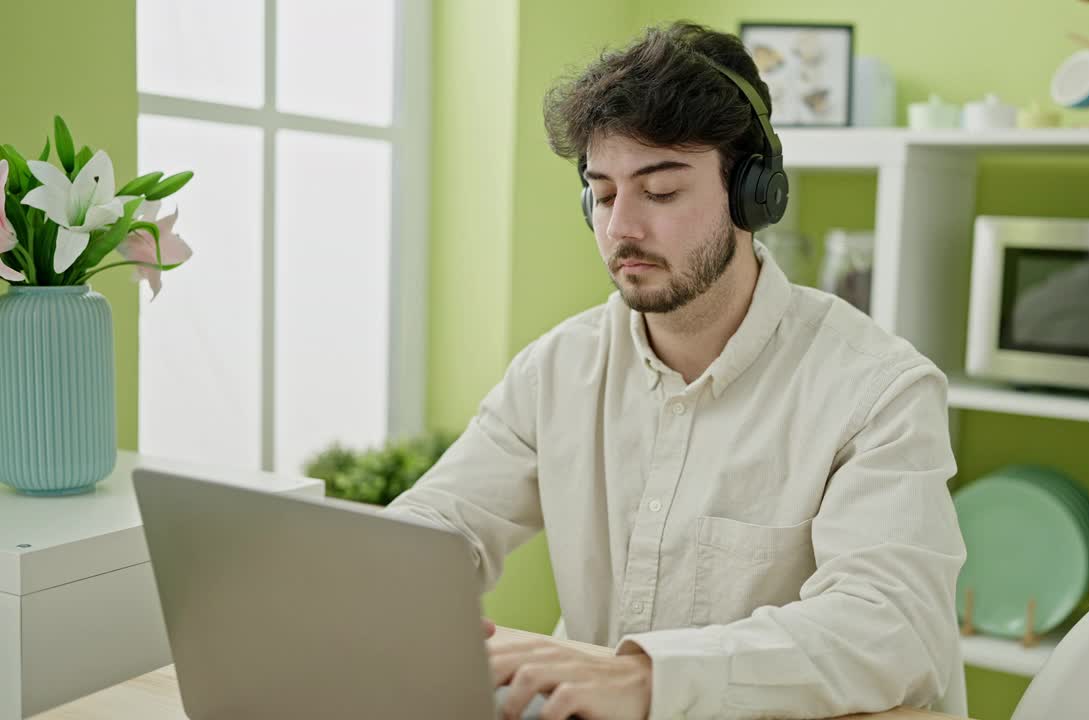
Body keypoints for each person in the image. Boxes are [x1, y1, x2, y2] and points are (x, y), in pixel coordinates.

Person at [382, 20, 966, 720]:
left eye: (659, 193)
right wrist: (374, 587)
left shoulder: (879, 391)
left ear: (755, 196)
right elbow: (441, 526)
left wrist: (646, 678)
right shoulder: (559, 369)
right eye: (602, 194)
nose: (621, 227)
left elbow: (891, 629)